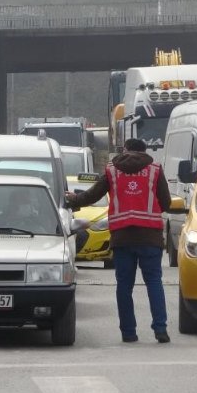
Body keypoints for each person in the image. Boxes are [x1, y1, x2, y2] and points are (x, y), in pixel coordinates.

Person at [65, 138, 172, 344]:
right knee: (154, 283)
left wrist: (73, 199)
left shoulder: (112, 170)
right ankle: (160, 329)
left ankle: (129, 333)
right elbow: (166, 203)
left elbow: (92, 196)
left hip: (122, 237)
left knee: (124, 285)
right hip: (150, 237)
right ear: (145, 151)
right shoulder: (155, 169)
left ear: (125, 150)